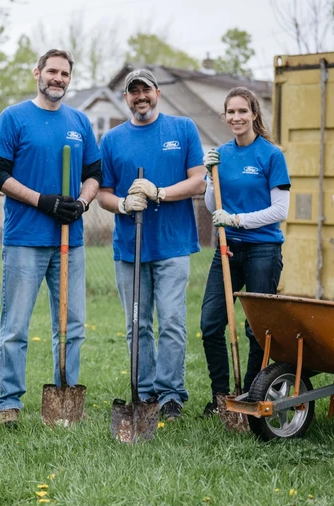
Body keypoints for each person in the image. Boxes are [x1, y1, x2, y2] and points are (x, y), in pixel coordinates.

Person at [0, 49, 102, 427]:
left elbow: (94, 174)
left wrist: (82, 204)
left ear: (70, 78)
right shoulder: (14, 117)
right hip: (24, 239)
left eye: (64, 73)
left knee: (71, 326)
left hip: (72, 242)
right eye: (52, 71)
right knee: (15, 327)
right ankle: (9, 403)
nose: (58, 78)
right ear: (37, 73)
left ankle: (65, 392)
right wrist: (43, 201)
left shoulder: (80, 121)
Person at [96, 69, 206, 421]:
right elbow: (102, 193)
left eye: (146, 90)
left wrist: (158, 193)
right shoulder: (112, 140)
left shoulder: (182, 129)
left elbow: (198, 182)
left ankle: (171, 394)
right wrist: (124, 205)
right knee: (137, 323)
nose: (140, 96)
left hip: (172, 244)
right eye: (133, 92)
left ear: (157, 93)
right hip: (130, 246)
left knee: (172, 320)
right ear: (126, 98)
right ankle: (144, 392)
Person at [199, 86, 291, 417]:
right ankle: (221, 397)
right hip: (228, 249)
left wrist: (237, 219)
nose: (236, 117)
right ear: (224, 117)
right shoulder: (221, 154)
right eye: (230, 112)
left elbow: (280, 210)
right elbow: (212, 205)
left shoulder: (271, 155)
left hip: (263, 250)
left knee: (256, 328)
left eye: (242, 111)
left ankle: (251, 395)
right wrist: (210, 178)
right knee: (210, 323)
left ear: (254, 114)